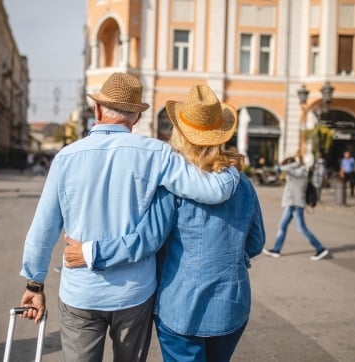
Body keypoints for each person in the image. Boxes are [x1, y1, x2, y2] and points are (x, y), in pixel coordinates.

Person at [18, 73, 240, 362]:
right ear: (136, 117)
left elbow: (42, 230)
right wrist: (233, 168)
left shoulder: (66, 157)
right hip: (134, 294)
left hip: (81, 292)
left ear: (97, 110)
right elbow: (211, 191)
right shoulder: (157, 154)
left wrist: (34, 284)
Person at [63, 85, 266, 362]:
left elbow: (146, 241)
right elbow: (256, 243)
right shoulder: (242, 184)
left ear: (180, 134)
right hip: (232, 305)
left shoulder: (174, 185)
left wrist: (91, 252)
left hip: (181, 308)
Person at [263, 154, 329, 261]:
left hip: (296, 204)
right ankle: (276, 250)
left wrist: (296, 163)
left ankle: (320, 248)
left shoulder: (299, 172)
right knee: (282, 226)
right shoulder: (298, 172)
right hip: (292, 203)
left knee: (301, 228)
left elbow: (282, 168)